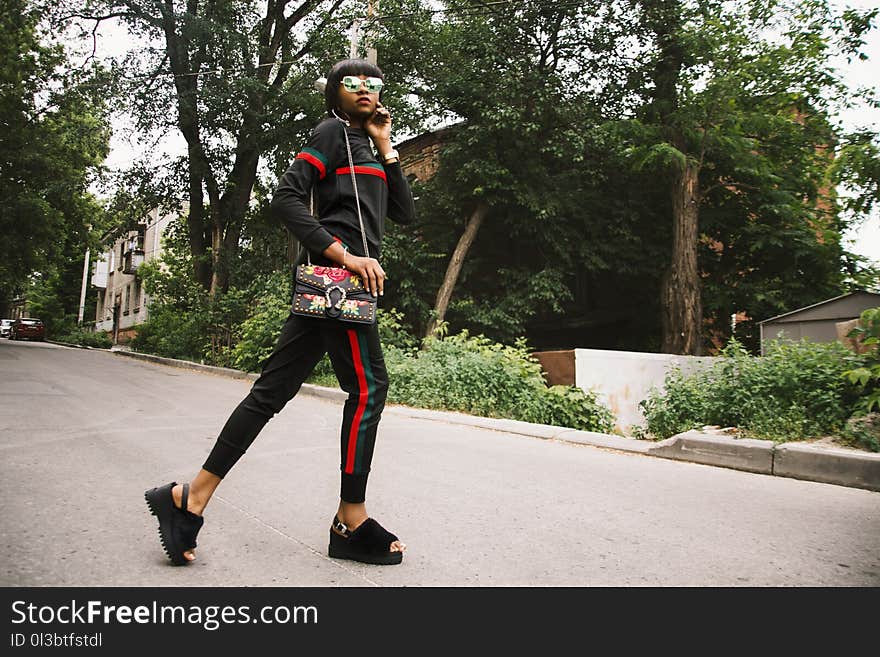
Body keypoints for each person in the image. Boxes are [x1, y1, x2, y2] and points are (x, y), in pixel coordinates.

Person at [145, 58, 415, 567]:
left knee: (271, 391)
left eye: (372, 84)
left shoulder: (367, 144)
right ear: (333, 92)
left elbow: (403, 213)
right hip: (339, 283)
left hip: (336, 291)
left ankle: (190, 498)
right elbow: (286, 198)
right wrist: (344, 254)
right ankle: (350, 519)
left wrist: (386, 148)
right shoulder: (331, 132)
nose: (364, 90)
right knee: (369, 387)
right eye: (351, 83)